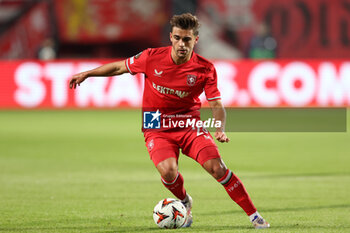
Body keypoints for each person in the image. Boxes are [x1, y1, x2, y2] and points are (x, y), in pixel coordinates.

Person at [69, 13, 269, 229]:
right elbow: (119, 67)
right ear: (171, 37)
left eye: (187, 39)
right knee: (168, 171)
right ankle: (184, 200)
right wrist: (88, 74)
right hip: (156, 124)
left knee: (217, 167)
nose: (181, 44)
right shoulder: (151, 57)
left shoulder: (205, 68)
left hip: (189, 124)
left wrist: (219, 127)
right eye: (177, 38)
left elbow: (216, 104)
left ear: (196, 40)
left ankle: (254, 216)